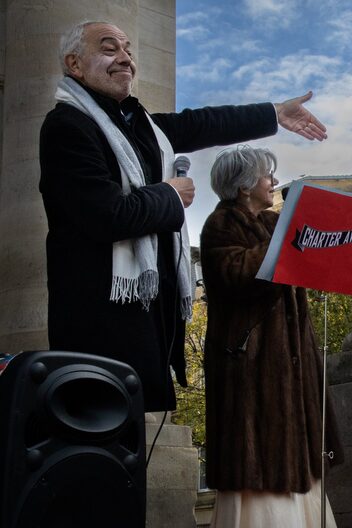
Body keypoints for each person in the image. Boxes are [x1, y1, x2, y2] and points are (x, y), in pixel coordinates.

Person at [39, 20, 327, 412]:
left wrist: (274, 114)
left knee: (125, 455)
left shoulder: (138, 127)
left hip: (141, 323)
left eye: (128, 49)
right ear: (74, 64)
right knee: (94, 449)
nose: (125, 58)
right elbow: (107, 215)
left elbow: (202, 123)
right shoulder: (68, 126)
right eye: (110, 49)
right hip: (97, 325)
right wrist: (169, 197)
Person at [199, 146, 343, 528]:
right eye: (267, 175)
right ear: (245, 186)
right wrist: (288, 236)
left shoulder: (272, 222)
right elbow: (237, 274)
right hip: (252, 370)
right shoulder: (220, 224)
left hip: (291, 370)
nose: (273, 182)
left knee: (299, 462)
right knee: (260, 465)